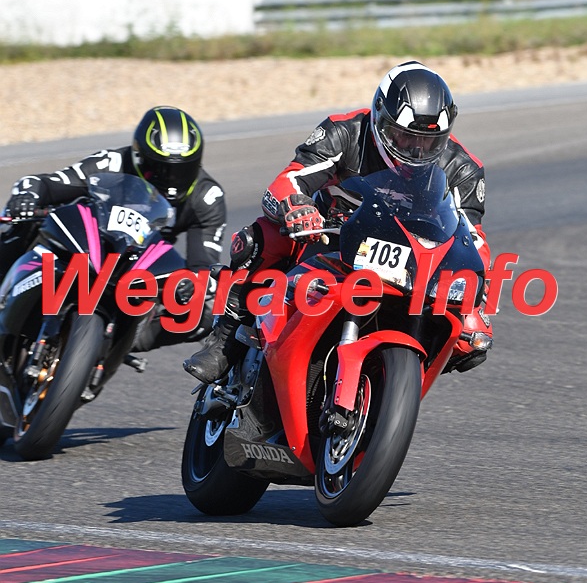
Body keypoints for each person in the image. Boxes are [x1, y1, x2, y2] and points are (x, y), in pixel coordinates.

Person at [183, 60, 493, 383]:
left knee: (471, 331)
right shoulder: (345, 132)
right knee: (264, 237)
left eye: (428, 141)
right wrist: (296, 207)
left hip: (412, 260)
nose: (416, 149)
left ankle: (397, 380)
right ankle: (226, 337)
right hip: (332, 237)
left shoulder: (463, 168)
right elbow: (289, 180)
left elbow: (472, 237)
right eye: (403, 137)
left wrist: (477, 277)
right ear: (381, 120)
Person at [0, 105, 226, 353]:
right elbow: (46, 183)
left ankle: (121, 344)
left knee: (203, 314)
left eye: (182, 170)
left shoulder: (207, 197)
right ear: (139, 157)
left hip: (140, 269)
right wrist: (27, 196)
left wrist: (193, 284)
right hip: (86, 243)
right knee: (21, 224)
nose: (170, 180)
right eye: (159, 168)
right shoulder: (112, 162)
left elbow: (205, 265)